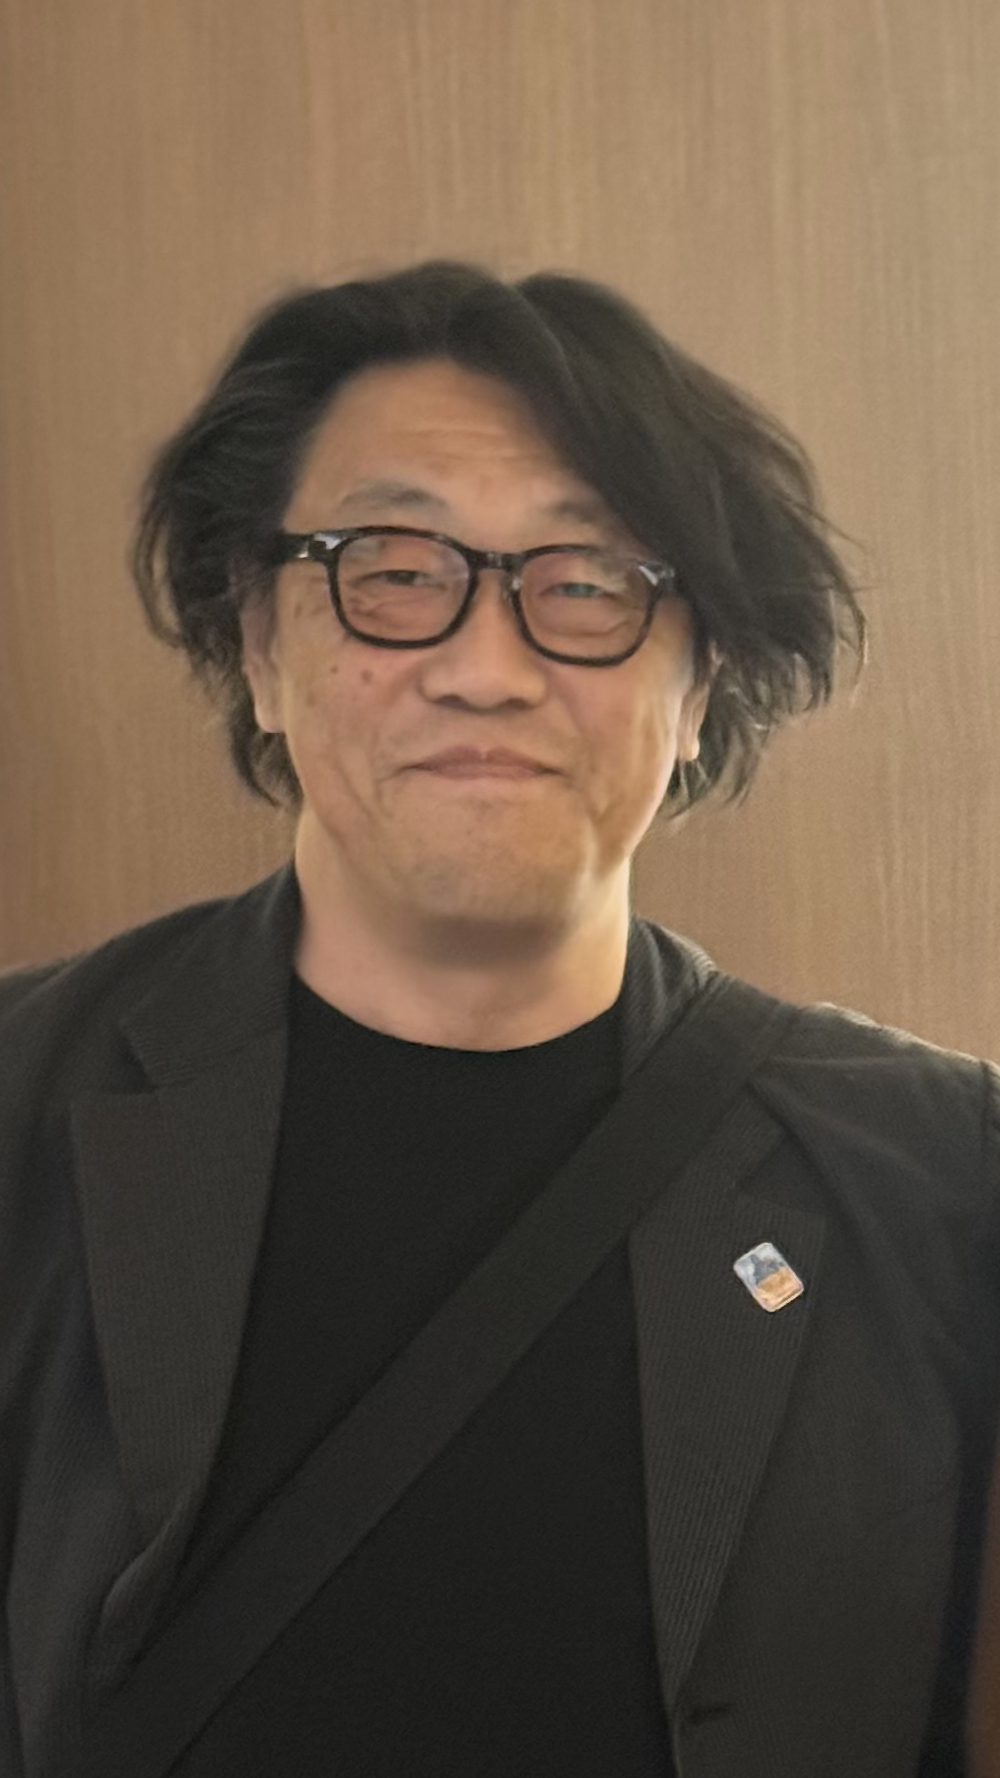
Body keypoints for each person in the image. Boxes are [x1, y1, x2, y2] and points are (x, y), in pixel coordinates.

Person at [1, 261, 997, 1778]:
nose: (485, 667)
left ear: (700, 681)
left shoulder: (937, 1177)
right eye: (393, 570)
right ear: (259, 647)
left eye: (585, 583)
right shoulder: (25, 1103)